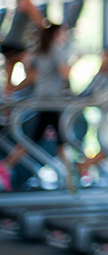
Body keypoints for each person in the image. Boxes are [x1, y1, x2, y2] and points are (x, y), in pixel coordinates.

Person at [0, 24, 73, 190]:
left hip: (43, 98)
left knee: (52, 138)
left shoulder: (41, 50)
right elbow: (64, 73)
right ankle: (72, 175)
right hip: (52, 101)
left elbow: (30, 71)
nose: (65, 36)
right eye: (62, 33)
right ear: (56, 34)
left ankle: (71, 175)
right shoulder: (56, 49)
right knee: (58, 138)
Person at [2, 0, 48, 94]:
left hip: (9, 44)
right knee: (34, 74)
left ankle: (7, 104)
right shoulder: (27, 1)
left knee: (8, 84)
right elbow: (41, 23)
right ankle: (13, 95)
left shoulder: (21, 0)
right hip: (17, 45)